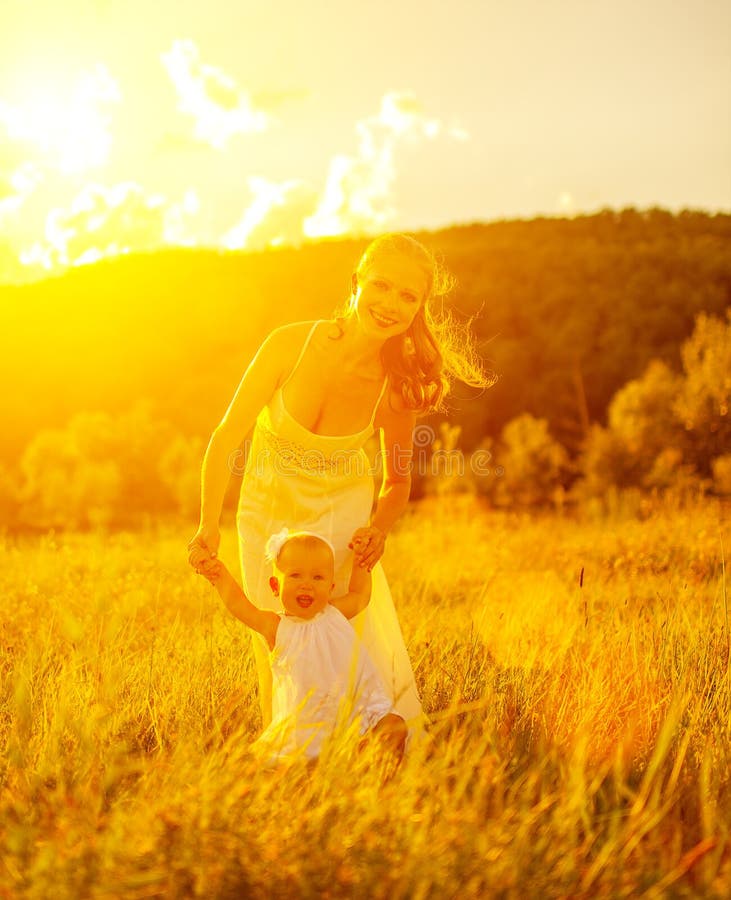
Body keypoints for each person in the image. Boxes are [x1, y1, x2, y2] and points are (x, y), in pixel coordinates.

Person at [187, 232, 488, 732]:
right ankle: (298, 753)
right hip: (267, 519)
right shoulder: (288, 344)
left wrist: (379, 529)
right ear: (356, 283)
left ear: (419, 309)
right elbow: (224, 438)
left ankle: (372, 751)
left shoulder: (397, 386)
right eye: (382, 286)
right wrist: (206, 525)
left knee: (349, 642)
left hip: (341, 529)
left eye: (408, 296)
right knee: (280, 645)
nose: (391, 304)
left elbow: (397, 482)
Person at [191, 528, 408, 763]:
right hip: (304, 732)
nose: (307, 585)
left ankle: (370, 773)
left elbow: (360, 594)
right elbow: (239, 604)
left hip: (352, 719)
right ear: (275, 586)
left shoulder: (334, 613)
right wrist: (218, 574)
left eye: (317, 578)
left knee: (394, 726)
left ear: (331, 587)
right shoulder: (276, 626)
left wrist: (360, 559)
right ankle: (314, 771)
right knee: (266, 764)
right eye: (295, 575)